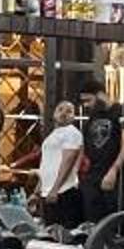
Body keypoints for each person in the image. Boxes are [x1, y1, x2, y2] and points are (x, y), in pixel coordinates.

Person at [74, 94, 124, 222]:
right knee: (92, 217)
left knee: (114, 218)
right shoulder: (93, 117)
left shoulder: (123, 111)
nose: (86, 105)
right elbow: (84, 147)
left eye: (88, 100)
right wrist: (76, 173)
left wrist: (113, 170)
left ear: (100, 95)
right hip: (93, 175)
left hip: (114, 173)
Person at [36, 96, 87, 225]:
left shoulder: (72, 133)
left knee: (63, 231)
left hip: (64, 191)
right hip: (49, 191)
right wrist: (39, 188)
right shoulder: (53, 135)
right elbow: (46, 163)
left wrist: (55, 189)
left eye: (69, 111)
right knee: (50, 229)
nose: (64, 113)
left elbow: (68, 162)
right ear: (54, 113)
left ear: (74, 117)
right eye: (60, 109)